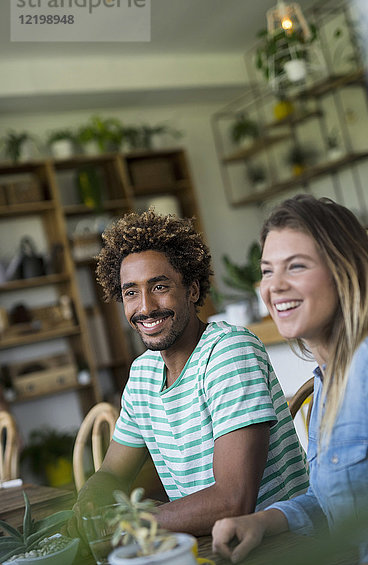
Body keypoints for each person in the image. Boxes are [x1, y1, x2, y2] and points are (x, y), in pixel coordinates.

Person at [71, 209, 308, 536]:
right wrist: (89, 506)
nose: (145, 308)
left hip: (281, 545)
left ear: (193, 291)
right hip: (206, 545)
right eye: (130, 292)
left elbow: (233, 501)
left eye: (159, 286)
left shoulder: (229, 352)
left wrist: (132, 522)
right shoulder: (142, 374)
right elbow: (112, 473)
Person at [212, 194, 368, 565]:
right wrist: (261, 522)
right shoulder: (327, 378)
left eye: (295, 266)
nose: (274, 286)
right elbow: (331, 498)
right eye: (267, 270)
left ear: (345, 272)